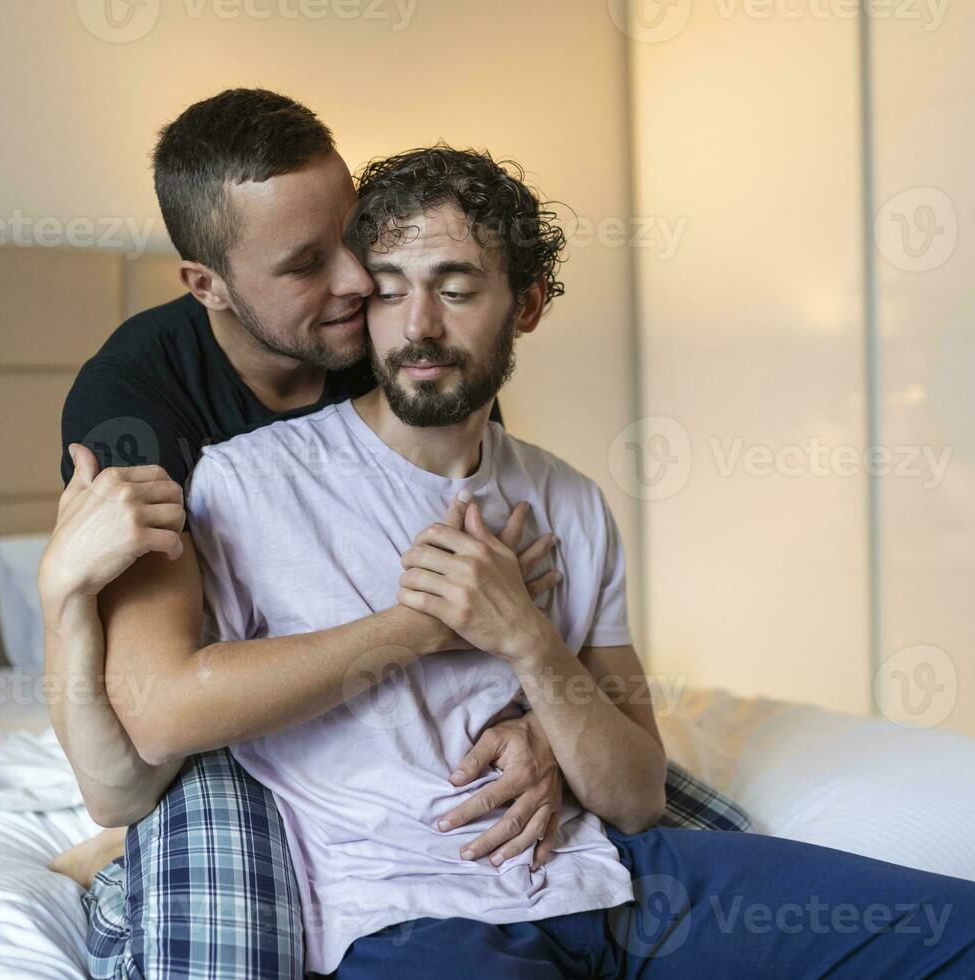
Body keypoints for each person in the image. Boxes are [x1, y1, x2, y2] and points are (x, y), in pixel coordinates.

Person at [166, 144, 975, 978]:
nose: (419, 326)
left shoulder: (569, 500)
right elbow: (174, 712)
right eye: (392, 289)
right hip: (416, 915)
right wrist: (417, 629)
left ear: (527, 303)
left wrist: (526, 638)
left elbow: (635, 794)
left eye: (457, 287)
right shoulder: (253, 483)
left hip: (614, 878)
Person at [38, 89, 747, 980]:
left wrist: (531, 716)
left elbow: (493, 597)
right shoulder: (139, 408)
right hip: (235, 740)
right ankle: (112, 880)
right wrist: (424, 629)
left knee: (714, 832)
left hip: (422, 732)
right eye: (306, 265)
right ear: (206, 284)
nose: (358, 282)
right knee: (223, 921)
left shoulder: (403, 344)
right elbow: (158, 716)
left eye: (353, 238)